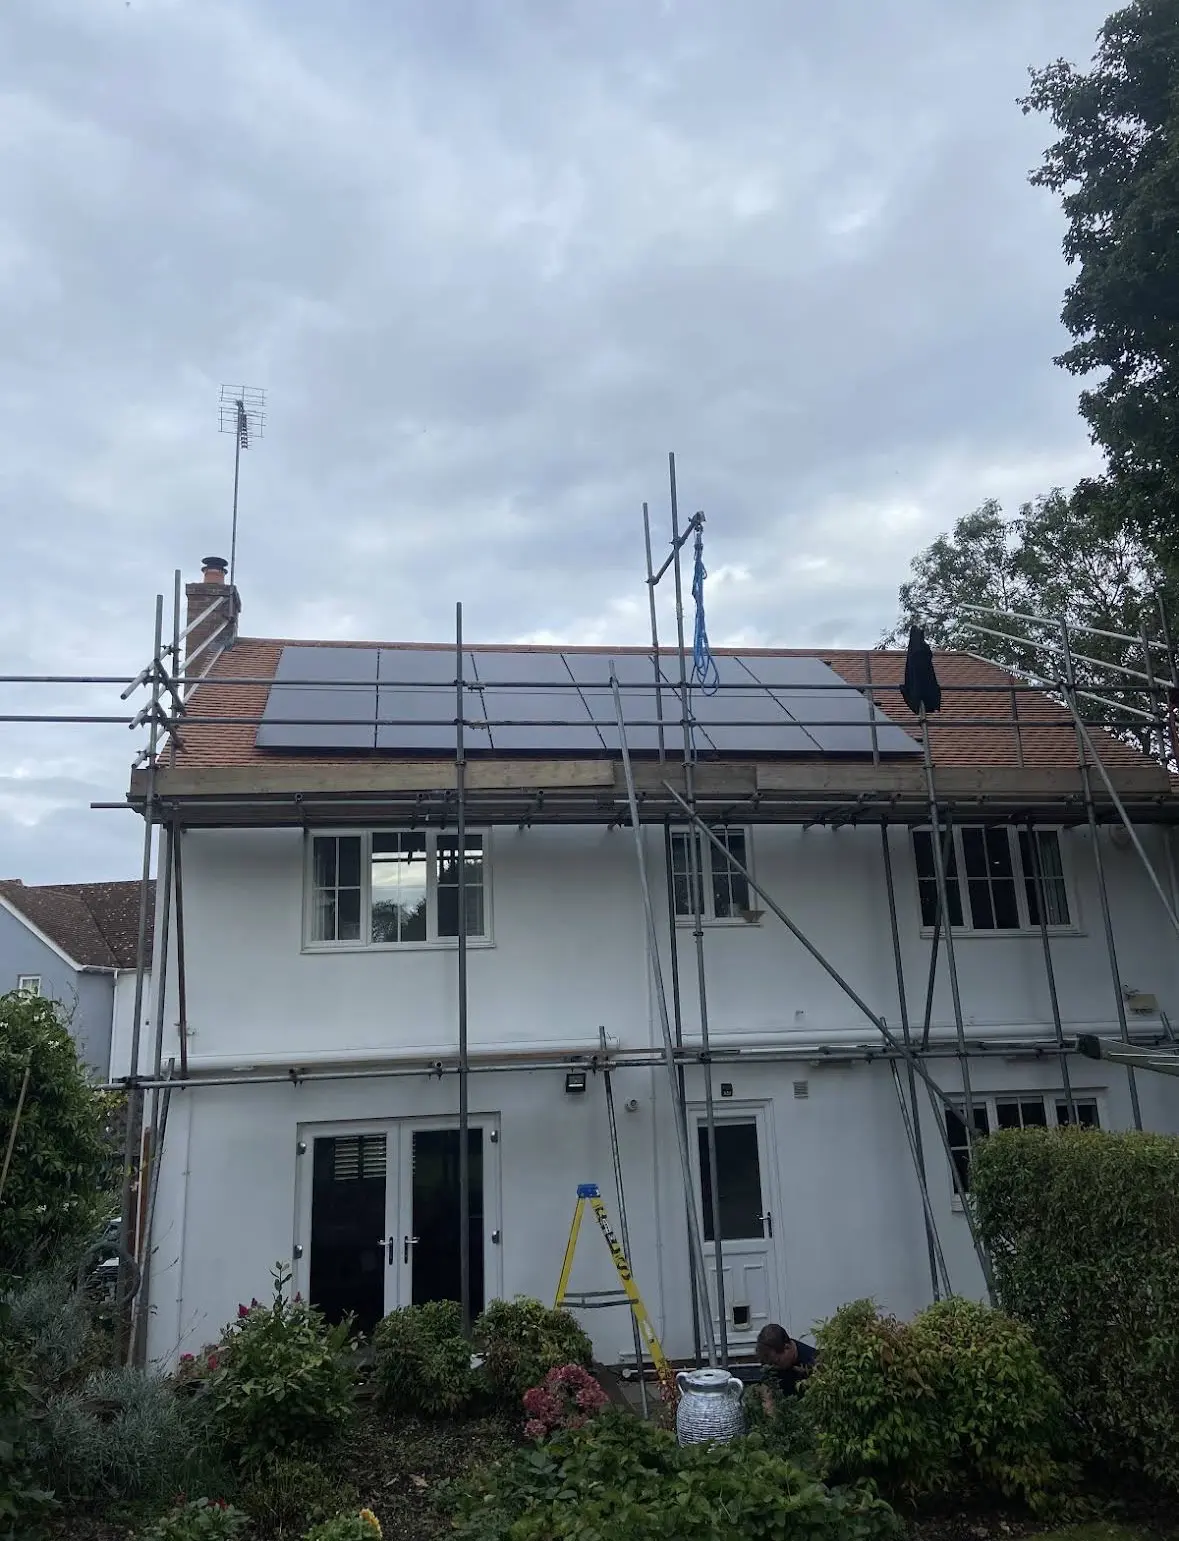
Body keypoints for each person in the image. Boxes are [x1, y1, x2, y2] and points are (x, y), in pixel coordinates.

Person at [755, 1323, 817, 1413]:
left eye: (776, 1362)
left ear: (787, 1348)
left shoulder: (813, 1363)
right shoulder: (771, 1360)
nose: (774, 1367)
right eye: (770, 1363)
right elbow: (765, 1386)